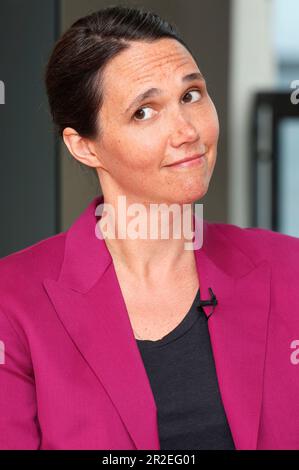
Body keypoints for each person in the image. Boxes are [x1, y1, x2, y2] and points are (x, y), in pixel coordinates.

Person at [0, 5, 299, 451]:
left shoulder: (288, 268)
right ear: (84, 147)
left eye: (191, 95)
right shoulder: (13, 300)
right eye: (144, 111)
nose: (186, 131)